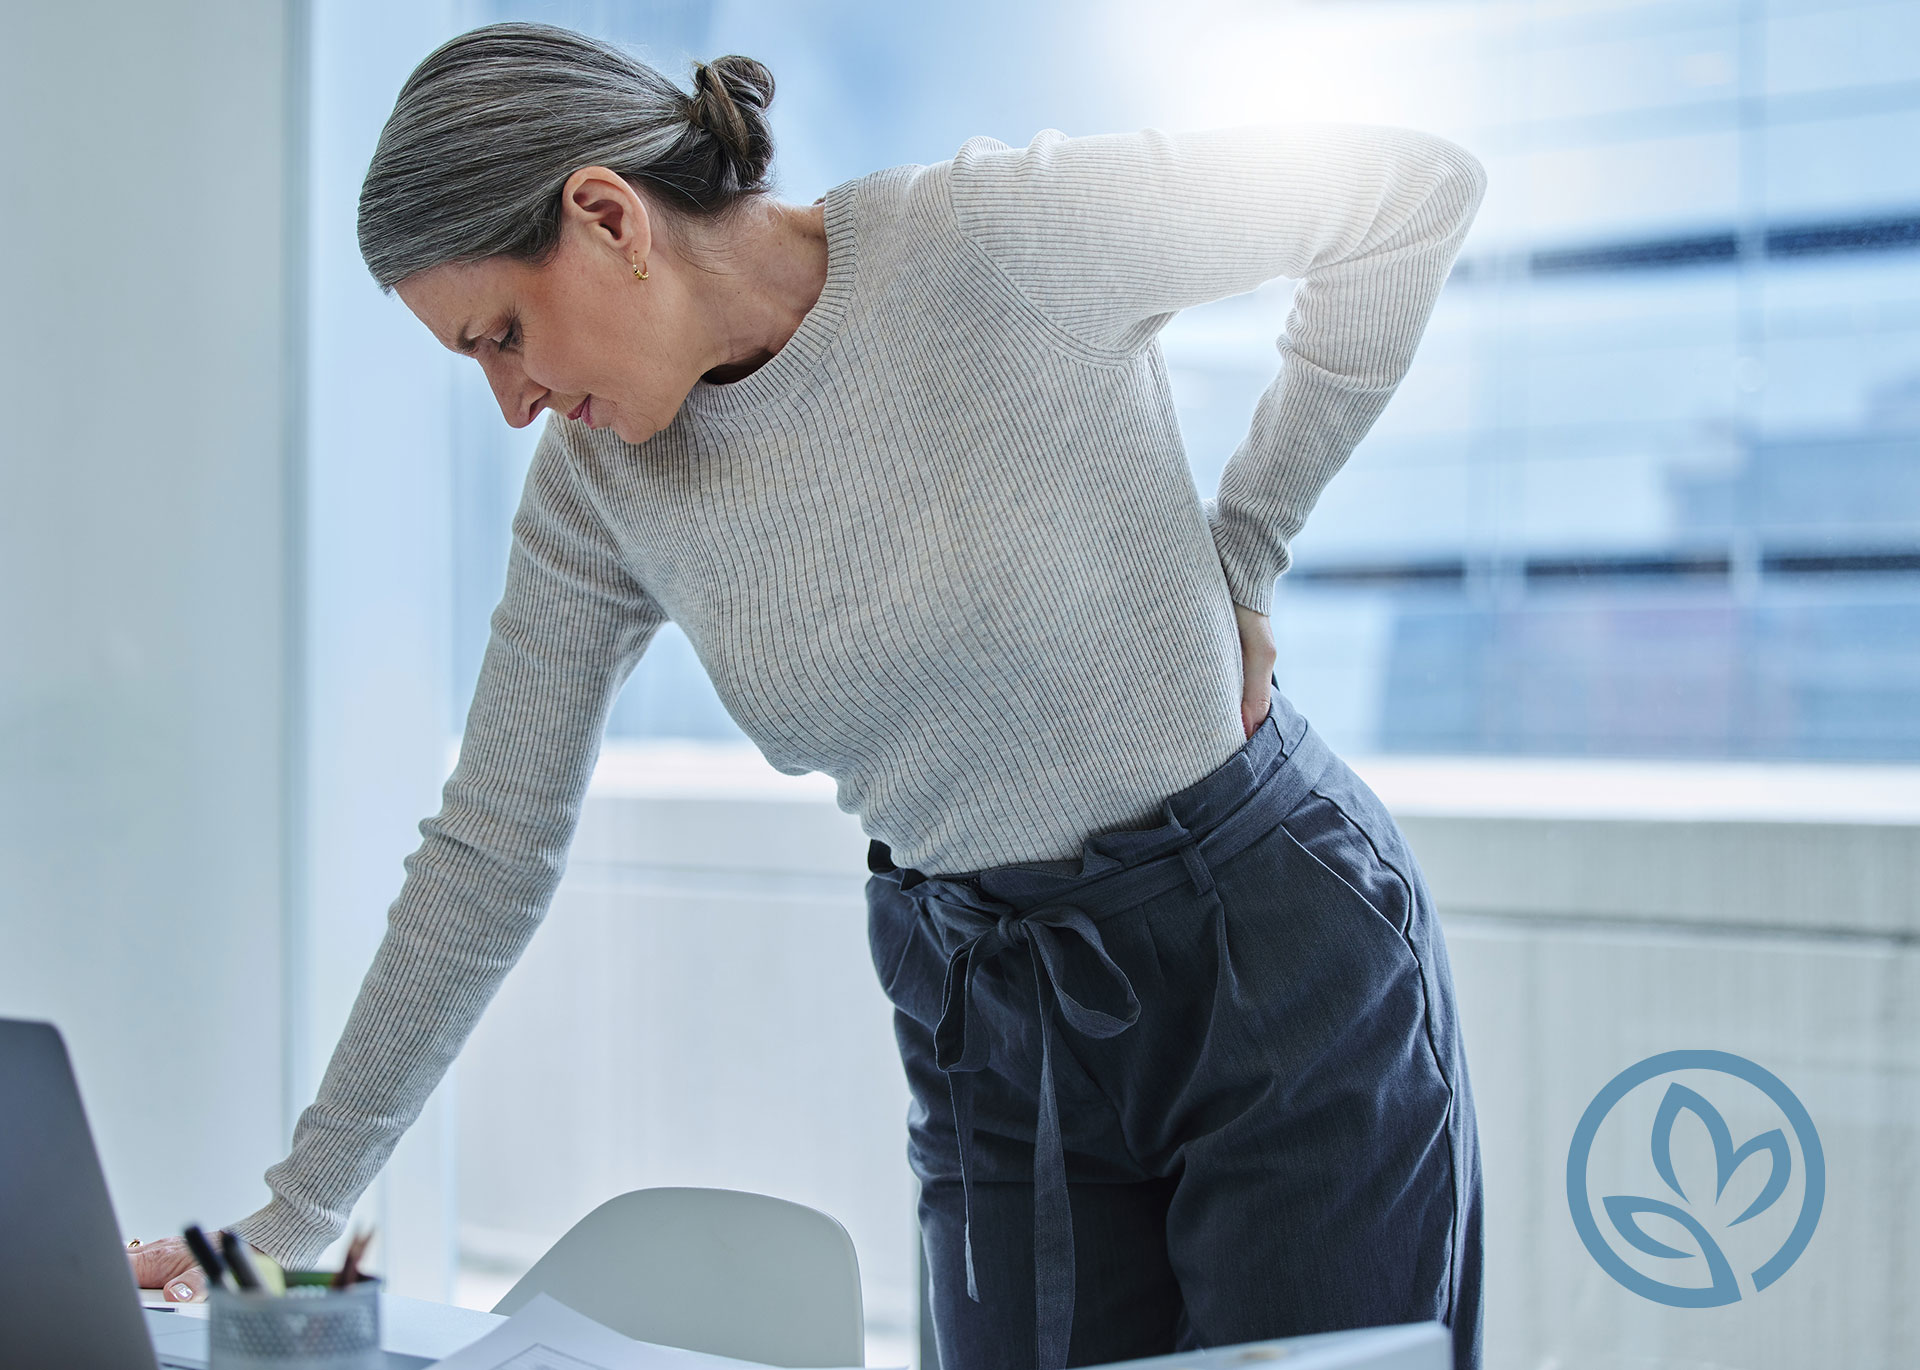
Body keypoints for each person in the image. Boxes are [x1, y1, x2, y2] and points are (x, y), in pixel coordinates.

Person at [131, 21, 1488, 1370]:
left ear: (606, 217)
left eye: (505, 335)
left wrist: (1243, 549)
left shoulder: (988, 239)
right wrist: (299, 1210)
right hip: (989, 1015)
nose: (512, 400)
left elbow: (1409, 193)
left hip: (1267, 953)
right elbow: (488, 847)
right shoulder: (598, 496)